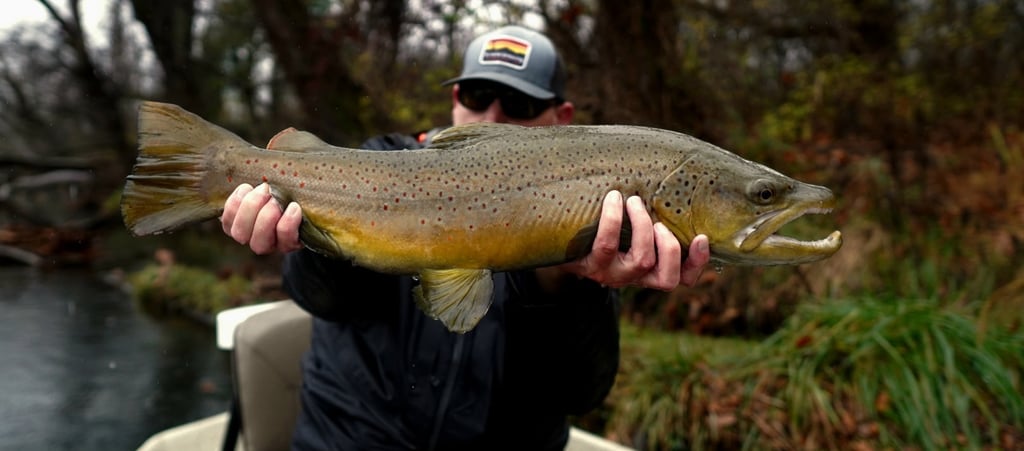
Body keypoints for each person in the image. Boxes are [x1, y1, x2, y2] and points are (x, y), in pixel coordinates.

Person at [220, 25, 710, 450]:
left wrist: (570, 283)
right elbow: (320, 299)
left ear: (561, 118)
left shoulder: (597, 210)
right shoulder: (377, 163)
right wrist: (305, 241)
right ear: (456, 101)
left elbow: (580, 395)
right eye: (477, 96)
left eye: (518, 103)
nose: (492, 117)